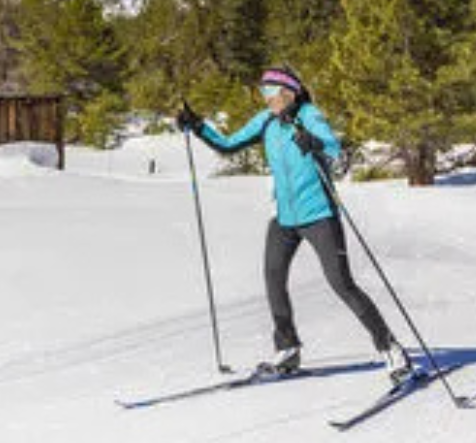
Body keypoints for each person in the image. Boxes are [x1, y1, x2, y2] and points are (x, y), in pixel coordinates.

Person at [177, 66, 413, 384]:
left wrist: (312, 141)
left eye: (272, 93)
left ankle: (391, 349)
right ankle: (288, 349)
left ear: (290, 92)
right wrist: (198, 126)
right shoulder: (266, 121)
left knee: (341, 283)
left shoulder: (309, 115)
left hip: (318, 214)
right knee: (273, 278)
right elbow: (228, 144)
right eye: (263, 94)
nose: (268, 99)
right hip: (285, 218)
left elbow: (333, 146)